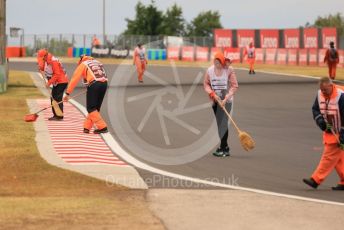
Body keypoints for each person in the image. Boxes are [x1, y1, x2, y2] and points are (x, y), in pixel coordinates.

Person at [303, 77, 344, 190]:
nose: (323, 92)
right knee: (338, 158)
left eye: (325, 89)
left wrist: (343, 134)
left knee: (329, 156)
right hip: (330, 130)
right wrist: (320, 121)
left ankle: (316, 179)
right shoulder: (320, 94)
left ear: (331, 86)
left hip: (340, 131)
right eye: (321, 89)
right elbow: (315, 109)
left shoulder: (341, 96)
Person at [204, 52, 239, 157]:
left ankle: (224, 148)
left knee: (223, 123)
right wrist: (212, 93)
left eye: (218, 63)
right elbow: (206, 84)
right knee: (220, 125)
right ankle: (224, 147)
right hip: (215, 101)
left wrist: (226, 98)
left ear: (222, 62)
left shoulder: (228, 70)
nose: (216, 65)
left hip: (226, 101)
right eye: (215, 62)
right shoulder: (210, 71)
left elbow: (234, 86)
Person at [63, 55, 108, 134]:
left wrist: (67, 93)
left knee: (91, 108)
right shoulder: (97, 62)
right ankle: (86, 127)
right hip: (104, 84)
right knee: (95, 109)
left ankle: (103, 127)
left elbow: (74, 79)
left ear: (81, 60)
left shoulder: (83, 64)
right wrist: (90, 86)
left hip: (94, 84)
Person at [37, 49, 68, 121]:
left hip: (61, 81)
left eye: (42, 58)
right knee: (53, 97)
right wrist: (40, 68)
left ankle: (59, 116)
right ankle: (57, 115)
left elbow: (57, 74)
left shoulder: (54, 61)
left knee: (57, 98)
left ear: (45, 55)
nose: (42, 59)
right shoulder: (46, 59)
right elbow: (43, 65)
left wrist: (49, 82)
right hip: (57, 82)